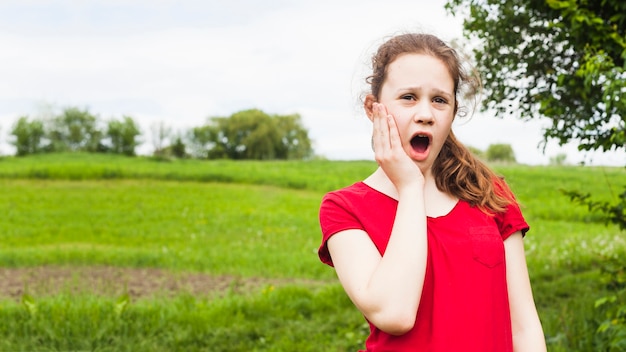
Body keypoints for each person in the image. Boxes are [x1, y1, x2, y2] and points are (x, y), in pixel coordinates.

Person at [318, 33, 546, 351]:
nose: (425, 113)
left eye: (439, 100)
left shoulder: (488, 194)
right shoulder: (345, 208)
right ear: (373, 108)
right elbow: (395, 313)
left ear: (453, 112)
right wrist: (411, 186)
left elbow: (524, 329)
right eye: (408, 97)